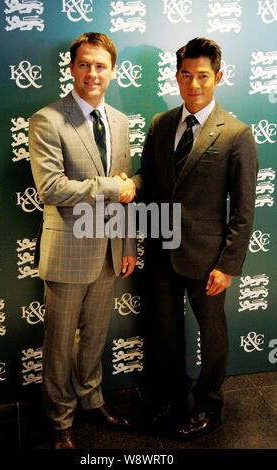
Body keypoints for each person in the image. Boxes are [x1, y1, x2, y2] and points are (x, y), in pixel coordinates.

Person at [133, 37, 258, 439]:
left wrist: (228, 264)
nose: (194, 84)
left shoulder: (237, 133)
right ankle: (173, 398)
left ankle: (209, 404)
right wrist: (127, 185)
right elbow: (149, 180)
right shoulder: (161, 123)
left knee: (213, 334)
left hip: (208, 258)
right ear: (177, 77)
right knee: (165, 334)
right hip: (161, 249)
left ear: (218, 77)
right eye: (186, 75)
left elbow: (243, 208)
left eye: (203, 76)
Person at [29, 32, 136, 449]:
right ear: (72, 68)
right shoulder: (47, 119)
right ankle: (60, 420)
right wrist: (109, 186)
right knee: (58, 344)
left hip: (110, 250)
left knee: (94, 337)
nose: (93, 73)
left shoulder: (121, 123)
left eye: (101, 65)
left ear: (113, 70)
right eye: (84, 64)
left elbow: (126, 191)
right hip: (68, 252)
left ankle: (92, 399)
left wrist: (127, 246)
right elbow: (52, 188)